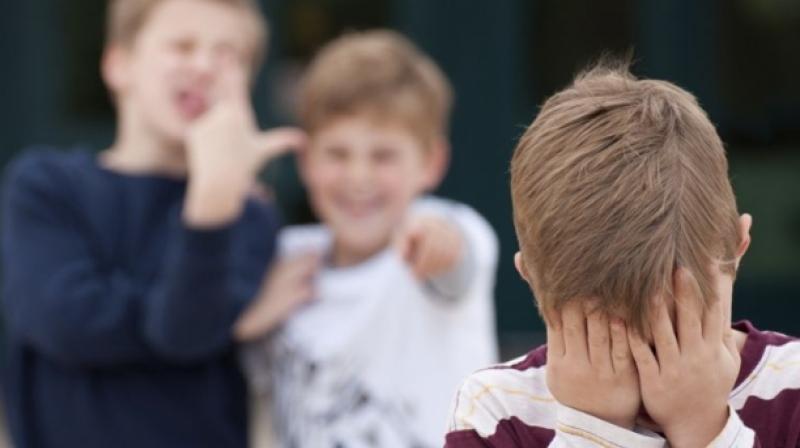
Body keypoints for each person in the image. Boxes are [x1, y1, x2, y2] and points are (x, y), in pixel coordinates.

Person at [444, 62, 800, 447]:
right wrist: (593, 430)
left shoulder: (792, 388)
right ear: (530, 275)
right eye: (611, 328)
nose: (653, 362)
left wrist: (704, 428)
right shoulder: (495, 409)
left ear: (736, 249)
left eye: (674, 318)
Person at [0, 0, 305, 446]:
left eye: (228, 54)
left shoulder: (248, 216)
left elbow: (186, 331)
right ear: (118, 65)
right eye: (181, 46)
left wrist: (213, 199)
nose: (203, 65)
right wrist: (229, 324)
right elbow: (63, 321)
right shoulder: (47, 186)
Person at [236, 30, 499, 447]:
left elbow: (456, 259)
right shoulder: (285, 258)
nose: (359, 177)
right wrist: (245, 320)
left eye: (383, 156)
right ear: (305, 161)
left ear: (431, 162)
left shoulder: (444, 225)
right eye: (337, 154)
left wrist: (437, 243)